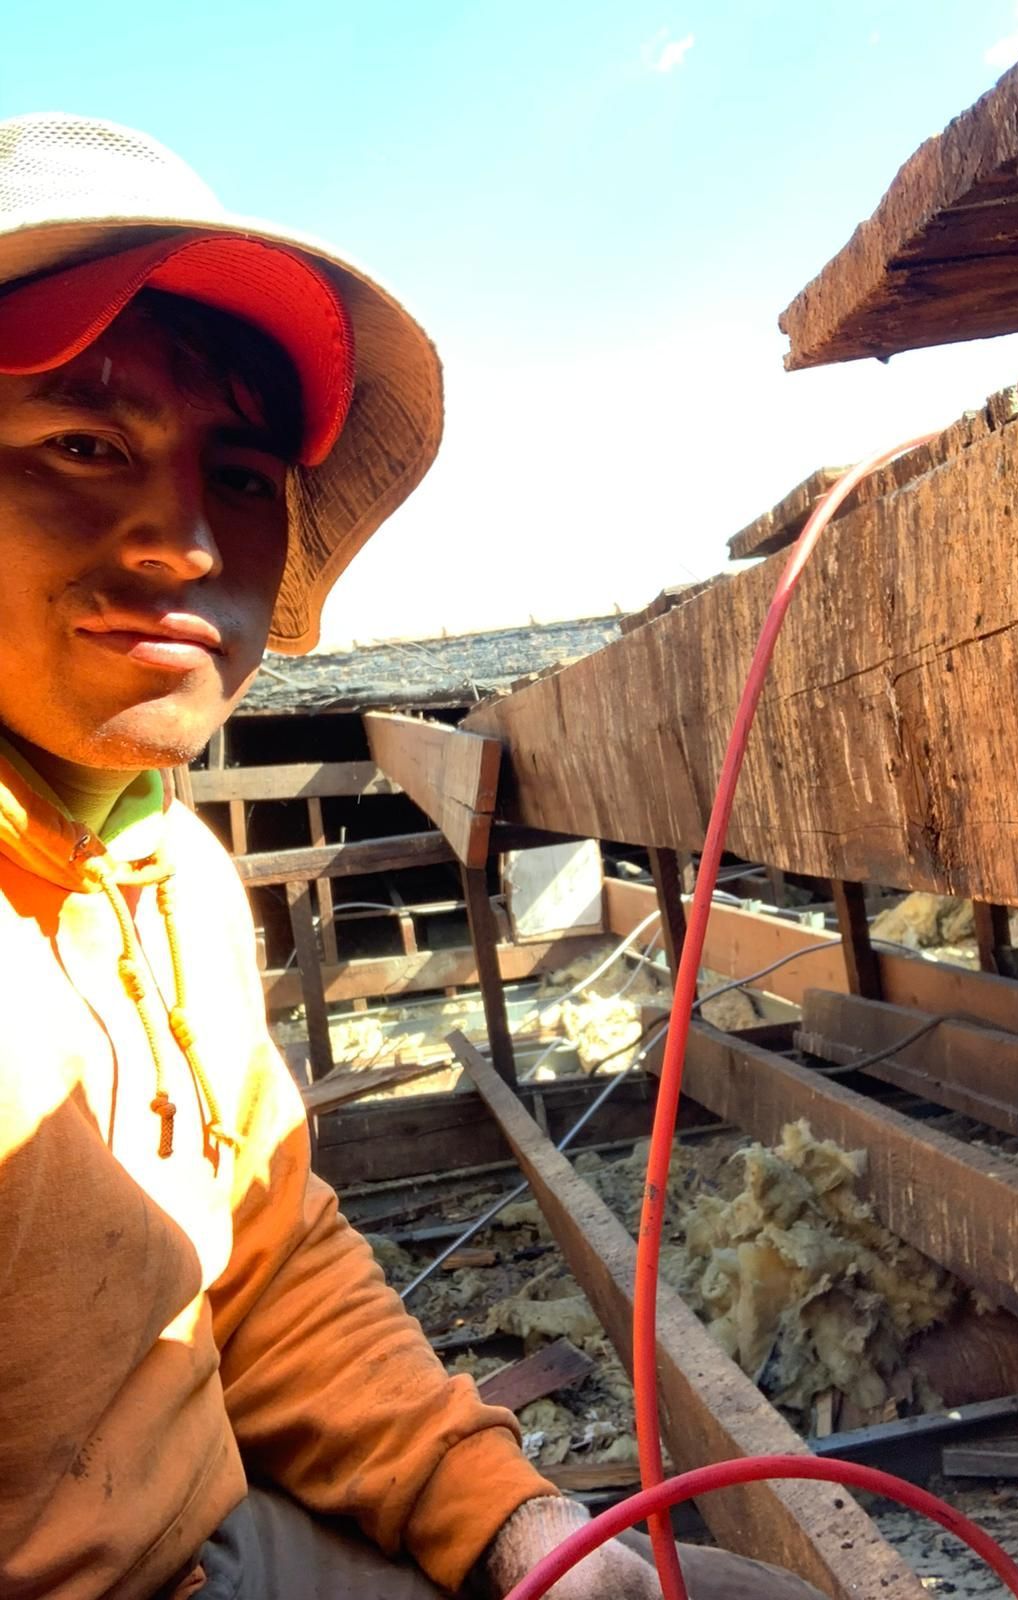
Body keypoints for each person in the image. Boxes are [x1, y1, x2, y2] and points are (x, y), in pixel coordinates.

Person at [0, 114, 825, 1600]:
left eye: (243, 476)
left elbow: (264, 1268)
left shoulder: (171, 880)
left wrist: (525, 1535)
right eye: (79, 442)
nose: (187, 541)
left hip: (207, 1534)